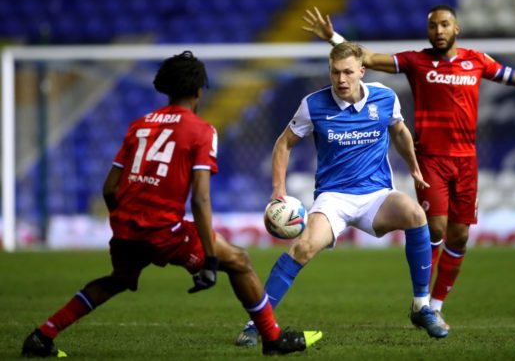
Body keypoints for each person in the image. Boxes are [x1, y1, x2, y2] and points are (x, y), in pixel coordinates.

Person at [301, 5, 515, 330]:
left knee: (458, 237)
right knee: (436, 229)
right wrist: (332, 37)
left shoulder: (477, 61)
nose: (438, 31)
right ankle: (421, 303)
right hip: (430, 157)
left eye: (444, 25)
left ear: (456, 28)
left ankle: (436, 306)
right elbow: (367, 59)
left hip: (466, 160)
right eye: (433, 26)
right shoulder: (416, 61)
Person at [21, 51, 322, 357]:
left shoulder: (139, 126)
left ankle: (42, 336)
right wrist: (209, 260)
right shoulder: (201, 131)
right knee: (240, 262)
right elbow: (201, 198)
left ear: (166, 87)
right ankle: (273, 340)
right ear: (198, 91)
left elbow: (110, 188)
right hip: (165, 229)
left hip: (127, 226)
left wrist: (125, 227)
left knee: (118, 280)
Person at [235, 42, 448, 347]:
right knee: (303, 248)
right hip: (333, 199)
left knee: (415, 215)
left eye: (348, 72)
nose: (341, 79)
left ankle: (421, 306)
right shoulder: (314, 104)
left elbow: (399, 131)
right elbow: (284, 144)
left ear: (362, 71)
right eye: (335, 72)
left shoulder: (385, 98)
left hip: (376, 196)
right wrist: (278, 190)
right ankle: (256, 324)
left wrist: (413, 166)